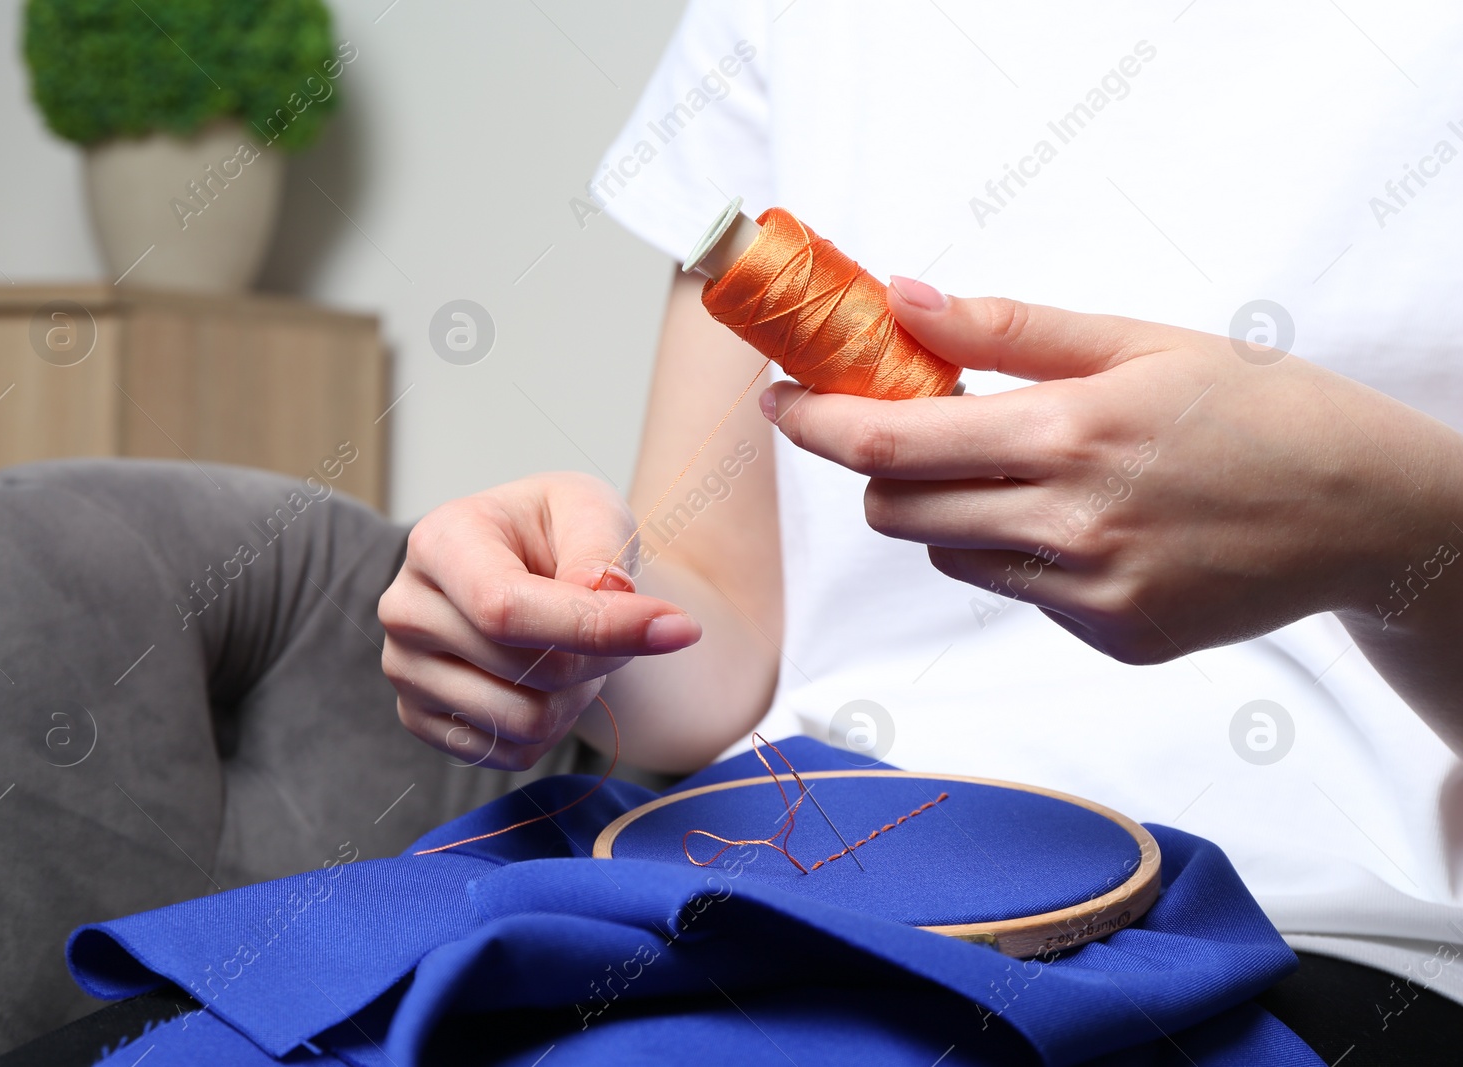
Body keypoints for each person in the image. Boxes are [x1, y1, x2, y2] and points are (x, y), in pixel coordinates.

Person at [378, 1, 1463, 1055]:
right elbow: (718, 625)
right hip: (784, 874)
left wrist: (1397, 530)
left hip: (1312, 933)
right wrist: (565, 618)